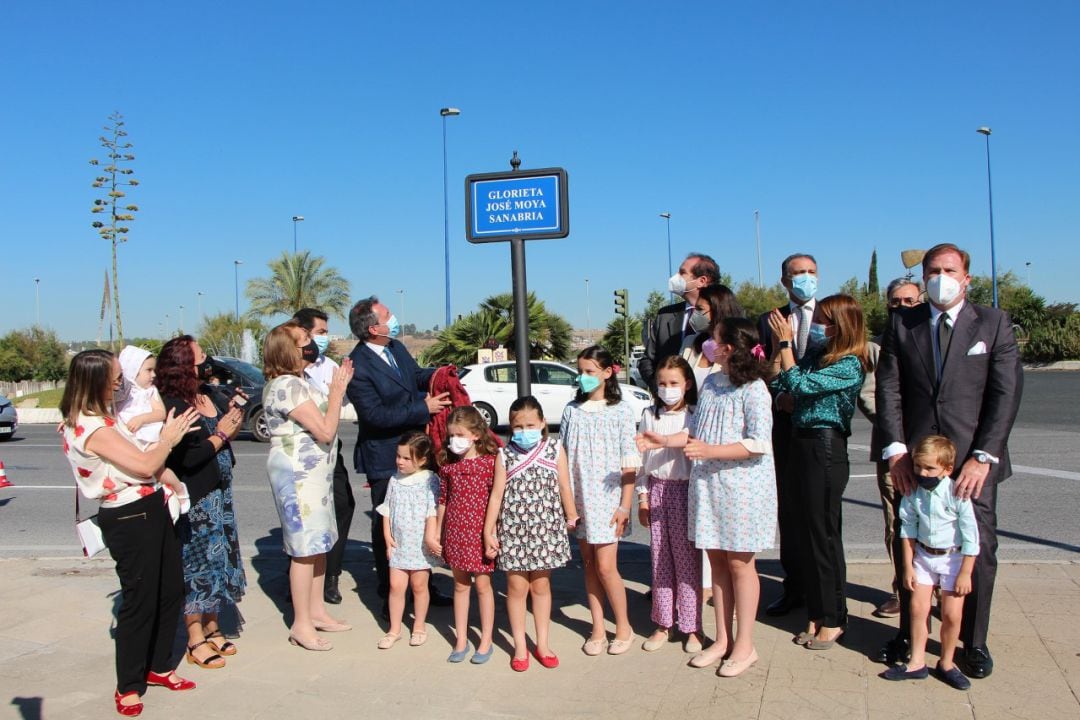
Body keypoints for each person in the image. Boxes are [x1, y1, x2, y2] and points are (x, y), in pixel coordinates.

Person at [875, 243, 1023, 679]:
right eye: (933, 270)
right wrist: (897, 451)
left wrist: (983, 457)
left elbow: (1005, 394)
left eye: (949, 269)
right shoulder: (904, 323)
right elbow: (889, 391)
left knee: (978, 549)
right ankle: (909, 635)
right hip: (917, 463)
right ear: (923, 276)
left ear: (966, 278)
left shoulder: (993, 324)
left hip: (971, 462)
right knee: (911, 544)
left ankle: (972, 643)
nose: (940, 276)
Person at [61, 349, 200, 716]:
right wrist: (168, 438)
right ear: (94, 380)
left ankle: (158, 666)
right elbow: (144, 463)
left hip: (149, 509)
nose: (120, 381)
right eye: (114, 376)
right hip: (127, 517)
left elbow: (147, 466)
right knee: (140, 601)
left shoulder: (105, 418)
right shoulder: (92, 427)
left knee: (170, 590)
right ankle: (129, 685)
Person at [650, 319, 775, 675]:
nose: (708, 344)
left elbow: (759, 443)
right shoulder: (712, 384)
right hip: (709, 487)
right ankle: (722, 639)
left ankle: (745, 645)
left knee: (740, 564)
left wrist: (712, 450)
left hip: (742, 489)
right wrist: (663, 440)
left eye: (714, 340)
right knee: (717, 562)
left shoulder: (753, 389)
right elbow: (695, 433)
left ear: (729, 349)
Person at [769, 294, 868, 650]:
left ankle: (834, 617)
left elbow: (799, 385)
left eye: (825, 321)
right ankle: (817, 609)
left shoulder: (851, 364)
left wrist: (784, 345)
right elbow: (782, 385)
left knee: (824, 536)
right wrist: (788, 382)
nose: (817, 328)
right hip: (799, 441)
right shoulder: (815, 357)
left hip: (824, 447)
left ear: (841, 324)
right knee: (804, 533)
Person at [346, 296, 453, 617]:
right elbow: (375, 415)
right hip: (384, 457)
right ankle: (389, 590)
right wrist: (423, 408)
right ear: (372, 327)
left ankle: (425, 585)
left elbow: (416, 376)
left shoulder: (396, 348)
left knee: (422, 519)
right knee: (387, 525)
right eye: (388, 315)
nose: (394, 318)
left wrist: (441, 375)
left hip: (418, 452)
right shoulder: (357, 365)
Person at [156, 336, 247, 670]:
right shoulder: (174, 405)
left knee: (220, 560)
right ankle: (195, 637)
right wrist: (222, 434)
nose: (207, 360)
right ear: (183, 364)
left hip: (220, 494)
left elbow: (227, 431)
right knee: (196, 566)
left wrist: (232, 421)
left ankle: (213, 625)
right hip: (195, 499)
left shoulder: (208, 395)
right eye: (200, 356)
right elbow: (190, 457)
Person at [262, 321, 354, 651]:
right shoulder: (286, 384)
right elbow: (325, 431)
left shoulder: (299, 380)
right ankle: (301, 623)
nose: (312, 344)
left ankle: (316, 612)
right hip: (298, 476)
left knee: (319, 543)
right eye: (304, 341)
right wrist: (336, 393)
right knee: (304, 548)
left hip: (315, 475)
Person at [483, 396, 578, 671]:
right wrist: (489, 531)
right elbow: (496, 495)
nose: (524, 431)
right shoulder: (504, 454)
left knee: (541, 586)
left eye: (530, 425)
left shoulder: (554, 449)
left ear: (542, 423)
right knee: (516, 587)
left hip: (545, 529)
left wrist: (571, 515)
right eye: (518, 426)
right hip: (513, 530)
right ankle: (520, 646)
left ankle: (543, 643)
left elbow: (564, 486)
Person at [561, 345, 642, 656]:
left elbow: (629, 461)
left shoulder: (621, 411)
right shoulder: (572, 410)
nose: (583, 377)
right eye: (580, 371)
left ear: (608, 373)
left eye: (589, 372)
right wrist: (567, 502)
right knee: (590, 565)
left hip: (608, 501)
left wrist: (625, 505)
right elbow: (564, 456)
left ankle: (623, 625)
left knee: (607, 567)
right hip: (580, 500)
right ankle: (597, 626)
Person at [882, 435, 979, 690]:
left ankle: (947, 662)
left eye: (929, 468)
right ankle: (917, 661)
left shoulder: (957, 494)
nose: (922, 473)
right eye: (917, 467)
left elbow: (971, 538)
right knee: (916, 609)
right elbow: (907, 530)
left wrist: (965, 573)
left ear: (946, 469)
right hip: (924, 558)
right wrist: (907, 566)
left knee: (951, 614)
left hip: (952, 559)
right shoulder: (913, 493)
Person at [857, 278, 923, 619]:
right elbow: (868, 395)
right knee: (897, 522)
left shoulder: (933, 342)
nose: (902, 307)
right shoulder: (875, 348)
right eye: (895, 302)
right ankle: (903, 589)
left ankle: (936, 589)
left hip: (934, 453)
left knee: (938, 522)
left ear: (921, 300)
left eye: (909, 301)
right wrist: (897, 431)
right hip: (892, 451)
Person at [757, 252, 819, 617]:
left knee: (819, 516)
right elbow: (763, 367)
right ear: (785, 280)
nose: (805, 279)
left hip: (820, 429)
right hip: (781, 426)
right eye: (798, 273)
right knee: (790, 513)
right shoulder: (771, 320)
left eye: (811, 272)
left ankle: (822, 592)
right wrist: (780, 396)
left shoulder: (831, 315)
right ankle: (793, 586)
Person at [634, 356, 703, 655]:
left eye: (674, 383)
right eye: (662, 383)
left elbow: (689, 439)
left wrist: (663, 441)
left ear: (687, 384)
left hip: (686, 491)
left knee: (688, 562)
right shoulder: (650, 414)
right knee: (660, 560)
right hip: (658, 489)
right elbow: (641, 461)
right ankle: (663, 623)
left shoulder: (695, 415)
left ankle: (692, 627)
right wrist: (643, 497)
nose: (667, 389)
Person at [293, 307, 355, 605]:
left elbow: (343, 402)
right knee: (304, 518)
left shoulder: (329, 365)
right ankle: (300, 584)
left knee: (343, 504)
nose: (324, 338)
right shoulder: (291, 370)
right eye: (319, 332)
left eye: (325, 332)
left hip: (331, 449)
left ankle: (330, 575)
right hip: (304, 454)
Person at [433, 406, 499, 664]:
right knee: (460, 585)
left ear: (475, 434)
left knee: (483, 585)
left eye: (459, 434)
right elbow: (443, 501)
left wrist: (492, 534)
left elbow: (497, 500)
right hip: (456, 532)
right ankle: (461, 638)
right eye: (451, 436)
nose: (454, 440)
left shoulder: (489, 464)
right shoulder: (449, 467)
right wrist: (438, 531)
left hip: (479, 534)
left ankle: (486, 639)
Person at [375, 431, 442, 650]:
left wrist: (430, 538)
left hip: (420, 545)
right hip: (399, 544)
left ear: (422, 459)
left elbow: (431, 511)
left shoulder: (430, 480)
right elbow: (387, 509)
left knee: (419, 585)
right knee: (396, 586)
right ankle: (394, 629)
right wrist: (387, 537)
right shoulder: (394, 480)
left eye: (406, 458)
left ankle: (419, 626)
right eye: (398, 456)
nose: (400, 461)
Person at [639, 253, 721, 389]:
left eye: (682, 273)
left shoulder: (727, 317)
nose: (675, 277)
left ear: (702, 280)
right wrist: (662, 388)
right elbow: (647, 360)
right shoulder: (665, 315)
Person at [681, 283, 745, 390]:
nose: (695, 314)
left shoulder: (740, 347)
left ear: (719, 311)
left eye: (700, 309)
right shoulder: (689, 343)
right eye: (695, 309)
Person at [115, 345, 166, 443]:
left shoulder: (150, 391)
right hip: (125, 436)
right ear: (133, 370)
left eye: (154, 370)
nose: (154, 375)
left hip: (149, 435)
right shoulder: (119, 390)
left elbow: (161, 413)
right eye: (149, 370)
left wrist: (142, 419)